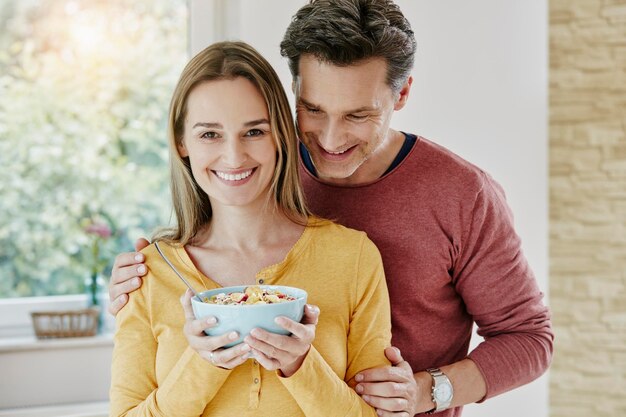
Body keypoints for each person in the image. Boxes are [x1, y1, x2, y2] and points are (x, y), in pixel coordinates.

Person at [109, 1, 554, 416]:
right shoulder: (256, 169)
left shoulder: (462, 194)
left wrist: (424, 390)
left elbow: (530, 339)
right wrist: (145, 278)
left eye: (359, 116)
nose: (330, 139)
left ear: (401, 95)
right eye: (313, 109)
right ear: (292, 96)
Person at [109, 40, 393, 417]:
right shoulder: (147, 273)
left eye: (254, 132)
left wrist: (301, 366)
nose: (233, 156)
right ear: (182, 142)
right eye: (210, 134)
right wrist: (204, 363)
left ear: (281, 136)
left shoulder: (353, 257)